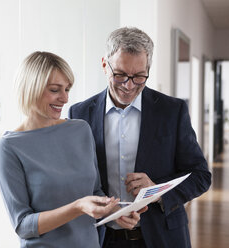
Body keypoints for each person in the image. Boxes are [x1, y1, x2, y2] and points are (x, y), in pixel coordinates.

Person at [69, 27, 212, 248]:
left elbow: (201, 176)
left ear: (148, 70)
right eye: (120, 75)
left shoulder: (172, 111)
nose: (128, 85)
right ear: (105, 65)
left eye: (138, 77)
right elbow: (76, 180)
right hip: (102, 239)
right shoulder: (79, 114)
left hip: (162, 238)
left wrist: (157, 191)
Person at [0, 51, 143, 248]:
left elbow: (95, 191)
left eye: (67, 89)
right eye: (55, 90)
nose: (64, 99)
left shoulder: (80, 129)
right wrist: (77, 207)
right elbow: (23, 225)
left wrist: (115, 212)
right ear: (31, 89)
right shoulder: (10, 147)